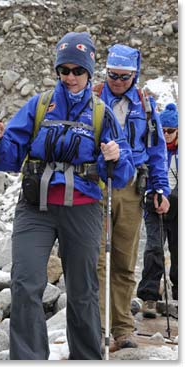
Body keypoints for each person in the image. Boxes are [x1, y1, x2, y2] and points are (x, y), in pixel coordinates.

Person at [0, 32, 134, 360]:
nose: (70, 77)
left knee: (82, 292)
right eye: (63, 70)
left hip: (82, 209)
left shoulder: (101, 113)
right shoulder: (38, 105)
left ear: (89, 72)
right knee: (25, 283)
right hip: (34, 207)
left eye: (77, 71)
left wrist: (114, 157)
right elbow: (6, 159)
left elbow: (124, 173)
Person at [95, 44, 170, 350]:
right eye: (113, 75)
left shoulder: (145, 105)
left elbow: (156, 151)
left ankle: (122, 329)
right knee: (98, 260)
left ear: (135, 75)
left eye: (125, 77)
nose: (118, 81)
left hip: (132, 189)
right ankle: (96, 329)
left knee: (124, 260)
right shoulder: (93, 98)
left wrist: (159, 188)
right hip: (97, 183)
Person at [137, 103, 178, 317]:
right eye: (163, 130)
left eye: (171, 131)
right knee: (154, 249)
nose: (166, 135)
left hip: (179, 208)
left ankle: (179, 294)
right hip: (154, 204)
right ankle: (149, 297)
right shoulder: (152, 149)